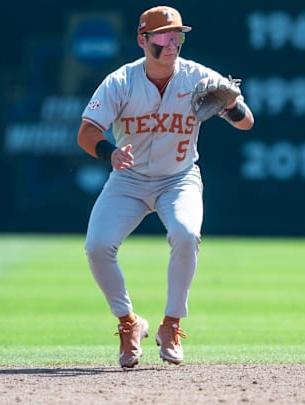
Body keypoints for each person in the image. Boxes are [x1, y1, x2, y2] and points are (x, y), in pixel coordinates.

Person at [77, 5, 254, 368]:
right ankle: (129, 323)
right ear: (143, 40)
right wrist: (109, 152)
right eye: (162, 36)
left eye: (177, 36)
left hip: (179, 177)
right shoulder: (121, 81)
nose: (172, 43)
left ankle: (171, 325)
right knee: (97, 246)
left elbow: (247, 122)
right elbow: (86, 133)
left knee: (187, 234)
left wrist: (232, 105)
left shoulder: (197, 76)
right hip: (129, 178)